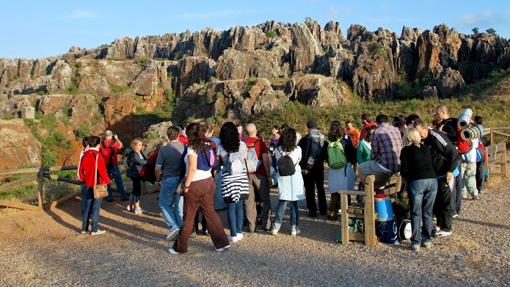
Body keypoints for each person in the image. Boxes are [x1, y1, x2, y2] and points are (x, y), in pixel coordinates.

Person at [169, 123, 230, 254]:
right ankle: (222, 243)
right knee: (210, 213)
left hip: (195, 184)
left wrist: (186, 185)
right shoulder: (208, 145)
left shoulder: (192, 147)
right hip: (208, 181)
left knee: (189, 216)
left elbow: (192, 168)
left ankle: (180, 247)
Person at [414, 119, 460, 237]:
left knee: (446, 201)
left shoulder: (436, 137)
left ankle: (447, 227)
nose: (418, 135)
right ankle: (439, 225)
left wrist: (449, 171)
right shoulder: (422, 141)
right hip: (434, 175)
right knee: (436, 202)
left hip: (446, 173)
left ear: (424, 129)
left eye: (419, 132)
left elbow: (453, 153)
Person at [400, 128, 438, 251]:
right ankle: (427, 240)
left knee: (416, 212)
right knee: (428, 212)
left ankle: (416, 241)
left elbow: (404, 170)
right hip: (432, 180)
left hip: (417, 181)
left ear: (407, 137)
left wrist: (404, 181)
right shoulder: (426, 148)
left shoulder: (406, 150)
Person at [218, 122, 249, 243]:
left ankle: (233, 234)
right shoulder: (242, 145)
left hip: (228, 177)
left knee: (230, 206)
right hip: (241, 176)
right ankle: (239, 231)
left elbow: (219, 162)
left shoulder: (221, 147)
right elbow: (245, 158)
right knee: (240, 205)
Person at [271, 128, 305, 236]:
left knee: (283, 202)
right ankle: (294, 228)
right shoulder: (298, 149)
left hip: (283, 177)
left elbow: (277, 163)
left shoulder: (278, 150)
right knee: (294, 203)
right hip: (295, 177)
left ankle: (276, 226)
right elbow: (299, 160)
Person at [155, 126, 185, 241]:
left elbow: (157, 169)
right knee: (179, 206)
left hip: (168, 179)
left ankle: (173, 228)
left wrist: (158, 179)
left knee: (164, 204)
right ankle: (181, 229)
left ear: (168, 135)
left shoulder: (164, 150)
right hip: (182, 179)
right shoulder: (184, 147)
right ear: (178, 135)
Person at [358, 114, 403, 187]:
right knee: (376, 170)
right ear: (388, 121)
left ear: (377, 123)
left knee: (360, 168)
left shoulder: (376, 132)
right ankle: (379, 190)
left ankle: (369, 192)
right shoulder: (396, 129)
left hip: (386, 167)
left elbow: (373, 155)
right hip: (399, 165)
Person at [78, 136, 111, 235]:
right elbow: (102, 171)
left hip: (87, 184)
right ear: (98, 144)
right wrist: (108, 182)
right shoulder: (97, 155)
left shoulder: (84, 154)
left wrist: (85, 180)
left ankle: (84, 229)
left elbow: (80, 172)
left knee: (86, 207)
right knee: (95, 209)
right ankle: (94, 230)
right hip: (97, 185)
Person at [435, 105, 463, 217]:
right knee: (457, 182)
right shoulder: (454, 121)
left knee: (452, 183)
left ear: (442, 112)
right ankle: (456, 208)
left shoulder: (448, 124)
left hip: (451, 156)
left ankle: (453, 210)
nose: (437, 116)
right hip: (457, 155)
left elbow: (453, 136)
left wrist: (441, 132)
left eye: (438, 114)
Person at [243, 123, 272, 232]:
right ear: (256, 130)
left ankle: (251, 226)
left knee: (249, 201)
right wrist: (268, 176)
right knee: (265, 200)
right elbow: (265, 159)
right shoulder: (260, 143)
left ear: (246, 132)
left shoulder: (242, 143)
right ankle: (266, 225)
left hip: (246, 175)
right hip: (260, 175)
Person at [326, 121, 357, 220]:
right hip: (344, 169)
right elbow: (353, 156)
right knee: (345, 191)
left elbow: (325, 157)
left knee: (334, 191)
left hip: (333, 169)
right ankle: (346, 213)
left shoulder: (329, 143)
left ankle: (332, 212)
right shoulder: (346, 142)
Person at [298, 120, 327, 217]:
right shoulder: (323, 139)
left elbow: (300, 154)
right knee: (320, 188)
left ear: (308, 127)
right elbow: (325, 154)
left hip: (308, 168)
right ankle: (323, 209)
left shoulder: (304, 140)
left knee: (309, 189)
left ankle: (312, 210)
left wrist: (304, 166)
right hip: (319, 166)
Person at [100, 130, 128, 202]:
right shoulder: (114, 142)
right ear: (111, 135)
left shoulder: (101, 143)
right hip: (113, 164)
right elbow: (122, 146)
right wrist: (117, 138)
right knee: (118, 180)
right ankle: (123, 196)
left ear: (105, 135)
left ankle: (109, 197)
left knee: (107, 181)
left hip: (104, 165)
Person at [125, 139, 147, 215]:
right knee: (137, 191)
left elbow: (144, 159)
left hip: (138, 173)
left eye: (141, 145)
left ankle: (130, 205)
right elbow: (140, 161)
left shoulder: (139, 152)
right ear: (134, 145)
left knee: (135, 190)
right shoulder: (133, 153)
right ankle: (137, 209)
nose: (141, 146)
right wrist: (149, 162)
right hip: (135, 174)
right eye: (139, 145)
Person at [474, 116, 486, 193]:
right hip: (481, 148)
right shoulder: (481, 127)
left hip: (476, 149)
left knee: (475, 167)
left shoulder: (475, 129)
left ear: (475, 121)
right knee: (480, 168)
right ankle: (480, 187)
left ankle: (475, 187)